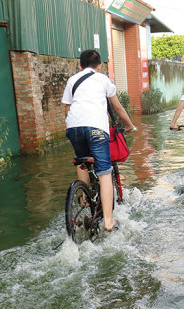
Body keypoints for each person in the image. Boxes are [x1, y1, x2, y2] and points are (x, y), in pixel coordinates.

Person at [61, 49, 136, 232]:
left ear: (80, 65)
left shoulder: (72, 80)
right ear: (100, 65)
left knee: (82, 161)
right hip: (96, 129)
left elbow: (66, 110)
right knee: (104, 172)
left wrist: (74, 128)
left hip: (73, 128)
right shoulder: (104, 80)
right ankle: (108, 221)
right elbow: (117, 108)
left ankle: (85, 198)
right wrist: (129, 125)